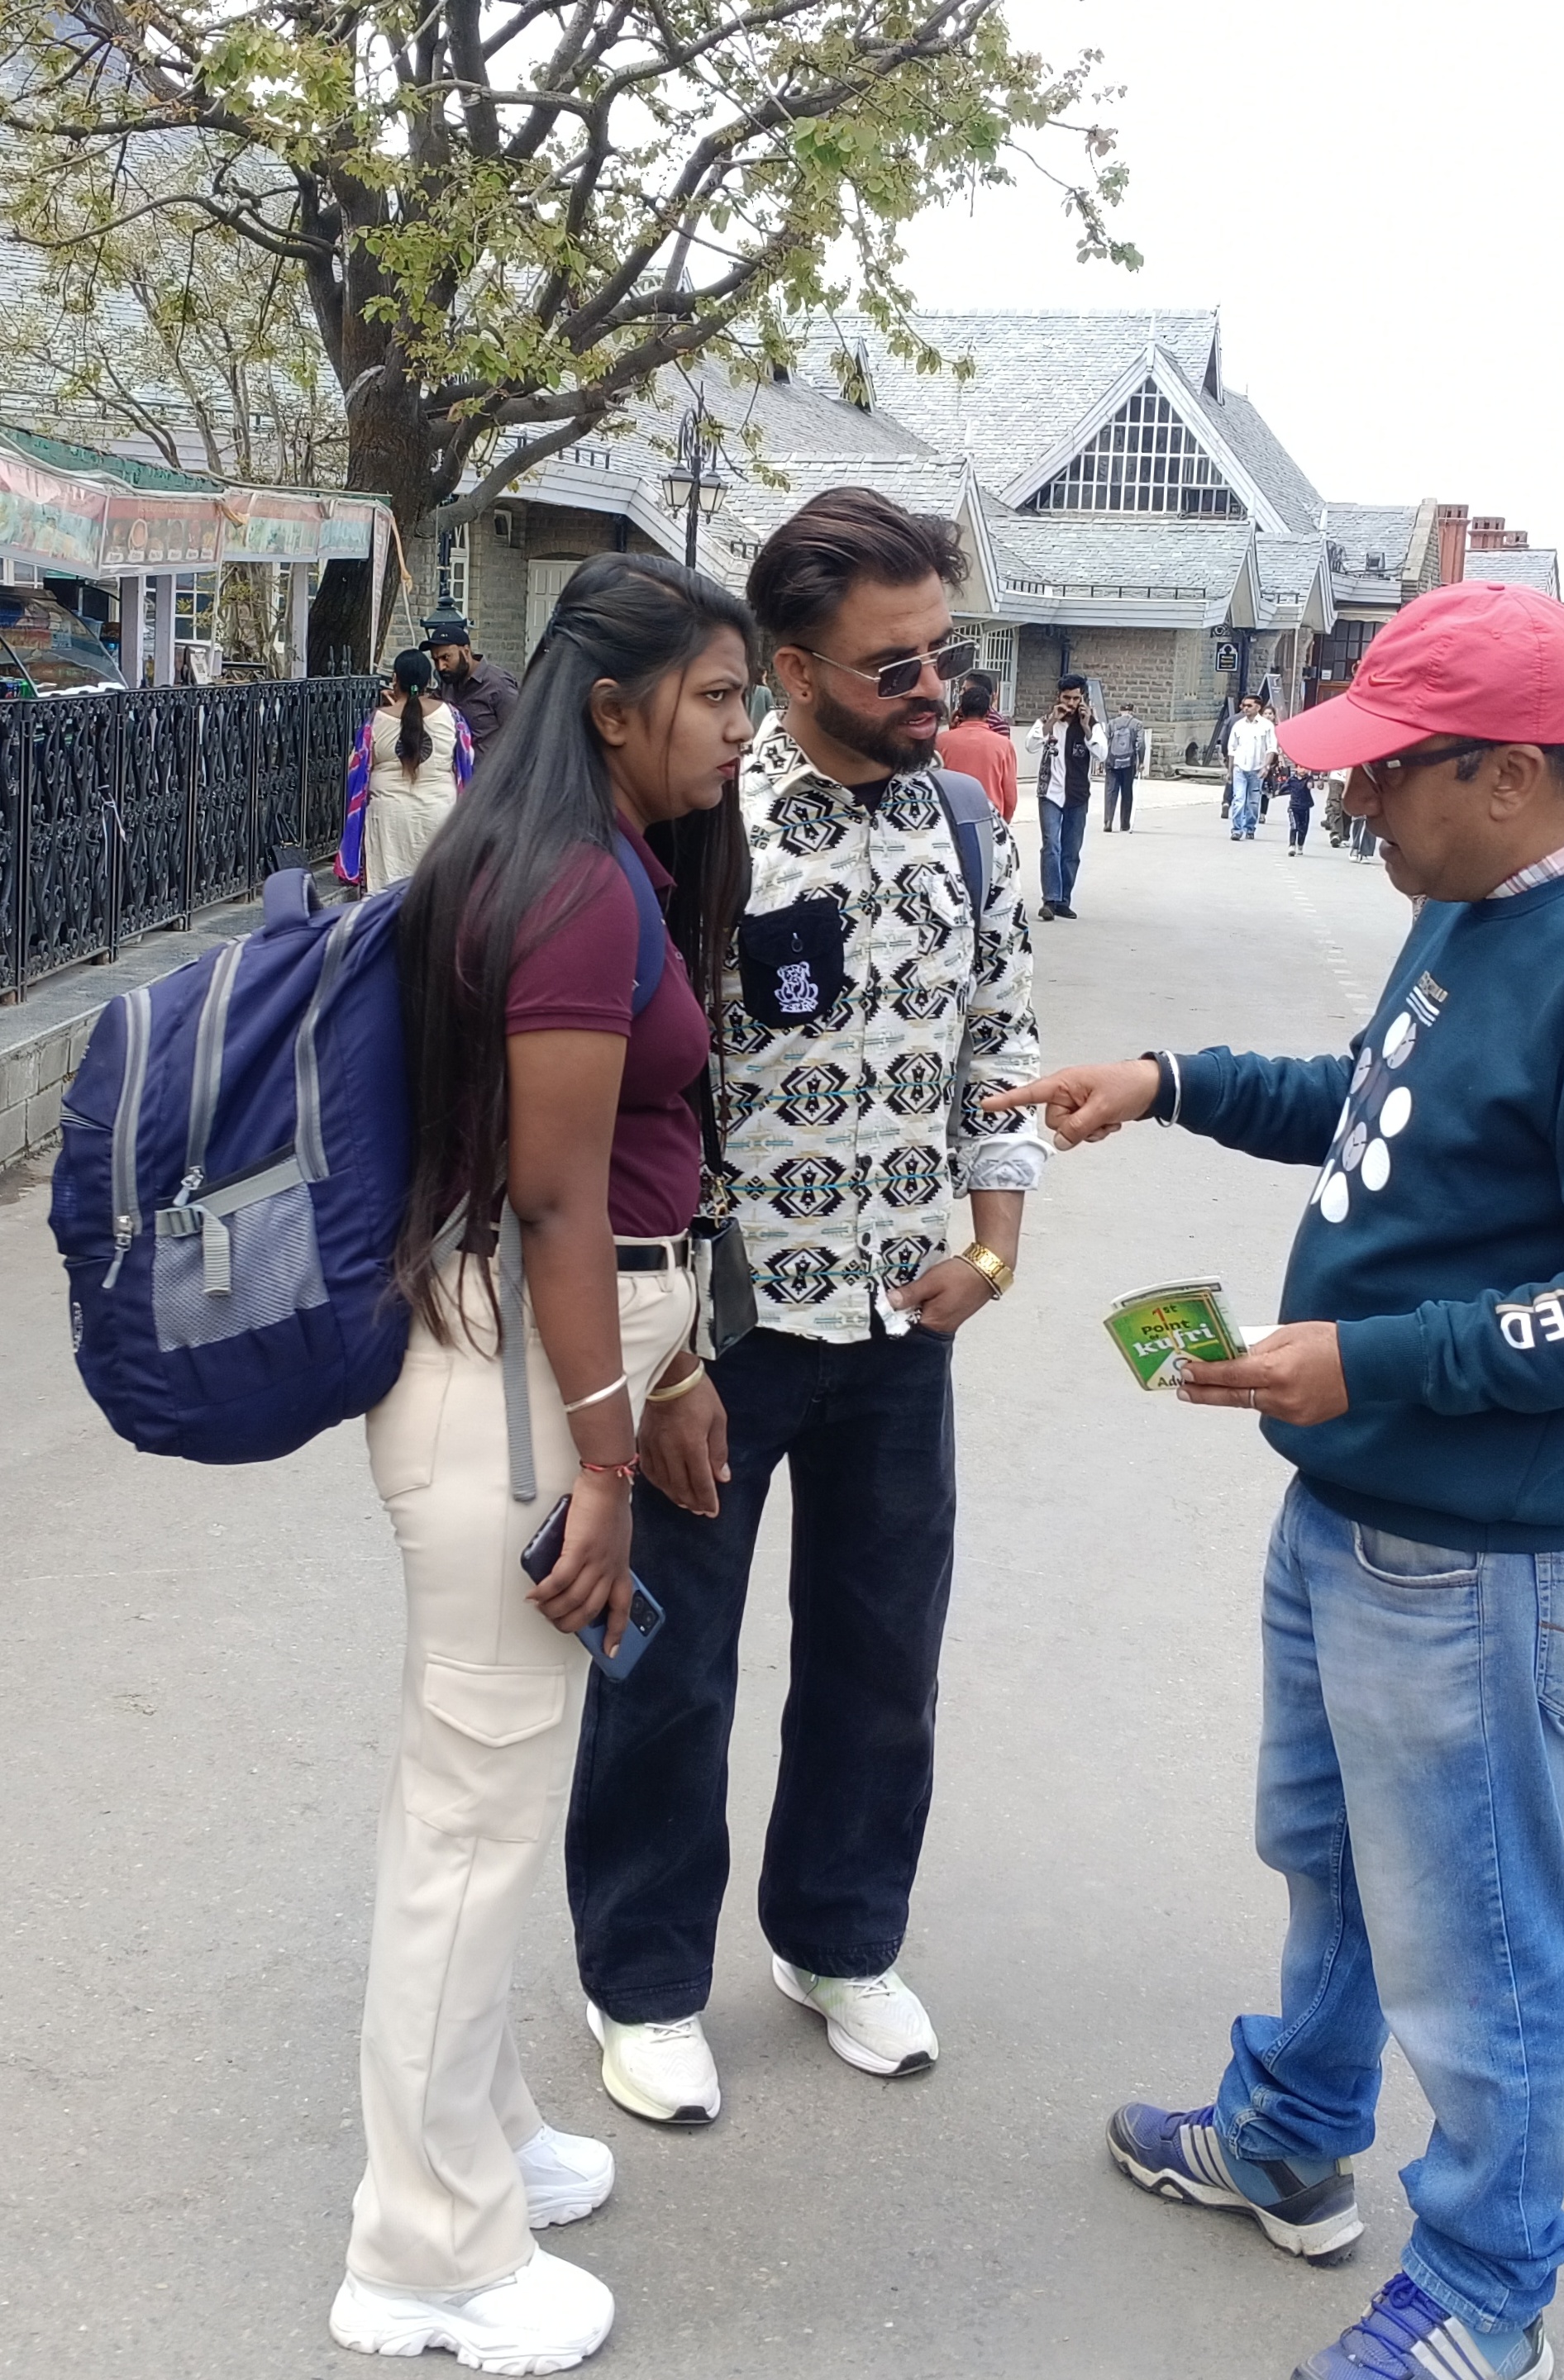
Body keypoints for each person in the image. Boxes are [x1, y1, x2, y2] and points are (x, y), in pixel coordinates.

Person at [987, 581, 1564, 2380]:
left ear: (1505, 773)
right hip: (1359, 1506)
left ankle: (1491, 2295)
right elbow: (1378, 1102)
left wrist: (1376, 1360)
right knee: (1334, 1860)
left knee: (1478, 1935)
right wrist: (1173, 1080)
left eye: (1383, 773)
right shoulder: (1480, 905)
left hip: (1483, 1551)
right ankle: (1291, 2131)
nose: (1351, 801)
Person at [566, 487, 1046, 2124]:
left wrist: (994, 1251)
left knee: (881, 1654)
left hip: (907, 1324)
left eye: (941, 655)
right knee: (672, 1665)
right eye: (889, 666)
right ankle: (640, 1979)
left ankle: (839, 1940)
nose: (930, 690)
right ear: (789, 669)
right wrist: (667, 1353)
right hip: (727, 1333)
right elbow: (648, 1104)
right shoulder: (711, 826)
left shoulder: (968, 822)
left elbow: (999, 1041)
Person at [328, 554, 756, 2372]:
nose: (739, 731)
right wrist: (604, 1463)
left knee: (480, 1802)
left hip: (545, 1360)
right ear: (612, 707)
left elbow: (621, 1181)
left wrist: (671, 1368)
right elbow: (561, 1199)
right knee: (470, 1822)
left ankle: (482, 2131)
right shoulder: (577, 889)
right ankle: (422, 2257)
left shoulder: (586, 861)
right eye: (718, 698)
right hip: (514, 1380)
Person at [336, 649, 474, 893]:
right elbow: (467, 762)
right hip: (439, 815)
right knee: (434, 896)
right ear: (428, 680)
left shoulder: (377, 719)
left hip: (389, 821)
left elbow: (355, 769)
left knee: (386, 897)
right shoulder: (452, 716)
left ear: (395, 679)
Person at [1026, 673, 1105, 917]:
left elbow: (1102, 754)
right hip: (1050, 793)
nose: (1070, 703)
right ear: (1058, 697)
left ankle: (1063, 900)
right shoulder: (1047, 722)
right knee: (1051, 845)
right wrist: (1051, 722)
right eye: (1066, 698)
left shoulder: (1092, 725)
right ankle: (1050, 900)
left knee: (1071, 851)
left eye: (1075, 698)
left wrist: (1086, 728)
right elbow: (1031, 745)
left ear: (1083, 699)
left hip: (1077, 796)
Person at [424, 610, 522, 755]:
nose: (440, 667)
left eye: (446, 658)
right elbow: (428, 704)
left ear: (466, 651)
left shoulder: (498, 685)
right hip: (455, 767)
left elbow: (521, 733)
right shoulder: (449, 682)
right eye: (435, 660)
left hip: (489, 768)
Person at [937, 673, 1019, 821]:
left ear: (961, 711)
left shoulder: (941, 741)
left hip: (950, 817)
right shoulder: (1004, 745)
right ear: (987, 713)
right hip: (989, 818)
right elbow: (1010, 796)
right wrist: (1003, 823)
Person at [1226, 694, 1278, 840]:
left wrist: (1266, 766)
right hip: (1240, 767)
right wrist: (1229, 770)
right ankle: (1237, 829)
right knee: (1239, 799)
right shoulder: (1238, 725)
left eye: (1249, 705)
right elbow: (1232, 749)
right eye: (1244, 705)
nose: (1246, 708)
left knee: (1253, 802)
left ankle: (1250, 827)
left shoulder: (1266, 726)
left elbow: (1271, 748)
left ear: (1258, 707)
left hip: (1257, 768)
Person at [1103, 700, 1147, 831]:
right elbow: (1141, 744)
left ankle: (1108, 822)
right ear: (1132, 711)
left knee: (1111, 791)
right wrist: (1141, 761)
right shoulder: (1137, 724)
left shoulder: (1112, 724)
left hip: (1112, 762)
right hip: (1128, 763)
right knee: (1127, 792)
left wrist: (1102, 759)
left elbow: (1105, 742)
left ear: (1119, 711)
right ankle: (1125, 824)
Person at [1281, 759, 1316, 855]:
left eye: (1305, 768)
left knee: (1303, 828)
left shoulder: (1309, 779)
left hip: (1305, 807)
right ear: (1296, 768)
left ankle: (1300, 844)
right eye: (1301, 767)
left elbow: (1310, 786)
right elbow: (1283, 788)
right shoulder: (1292, 780)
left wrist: (1311, 780)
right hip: (1293, 807)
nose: (1303, 770)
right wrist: (1277, 791)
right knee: (1294, 826)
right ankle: (1292, 845)